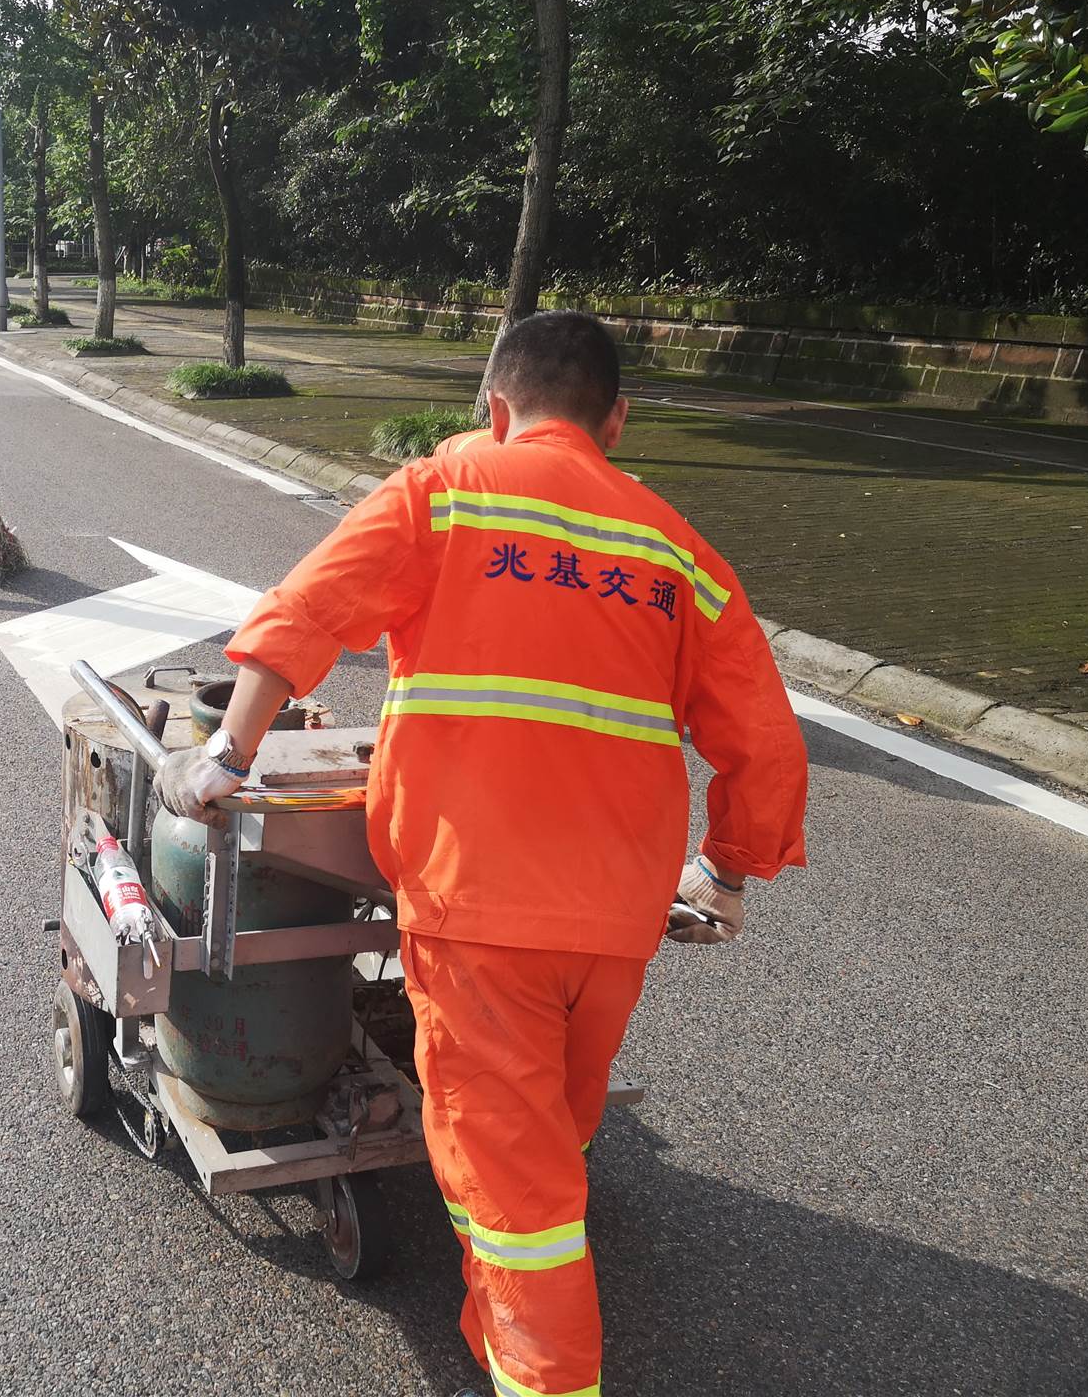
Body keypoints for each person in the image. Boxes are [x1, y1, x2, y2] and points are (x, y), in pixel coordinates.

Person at [157, 311, 808, 1397]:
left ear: (495, 406)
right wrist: (728, 869)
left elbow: (310, 609)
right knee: (556, 1125)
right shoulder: (673, 547)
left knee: (520, 1200)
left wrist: (225, 754)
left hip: (480, 904)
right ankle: (501, 1304)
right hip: (618, 914)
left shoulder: (450, 488)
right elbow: (765, 739)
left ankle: (544, 1376)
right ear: (617, 419)